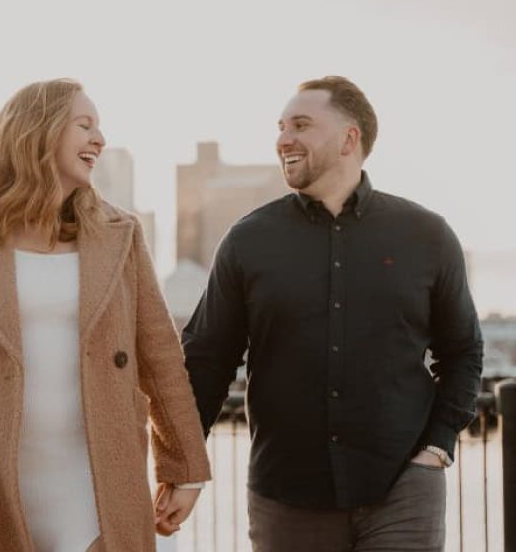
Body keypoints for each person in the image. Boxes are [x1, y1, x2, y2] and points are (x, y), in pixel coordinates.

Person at [0, 78, 211, 552]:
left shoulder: (119, 234)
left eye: (99, 127)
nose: (99, 140)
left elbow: (161, 358)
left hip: (96, 482)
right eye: (84, 124)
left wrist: (184, 468)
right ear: (36, 133)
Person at [182, 76, 484, 551]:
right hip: (286, 497)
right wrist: (184, 467)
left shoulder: (427, 235)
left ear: (350, 138)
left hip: (403, 487)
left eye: (301, 124)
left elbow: (463, 350)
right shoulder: (248, 241)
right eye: (281, 127)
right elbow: (206, 358)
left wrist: (438, 446)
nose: (284, 138)